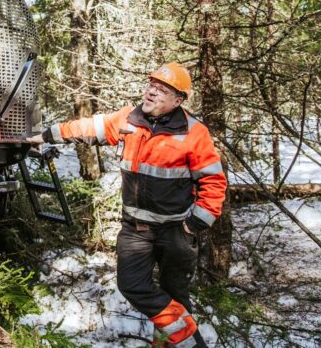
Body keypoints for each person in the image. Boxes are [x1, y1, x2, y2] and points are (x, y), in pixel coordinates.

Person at [30, 63, 226, 347]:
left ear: (178, 100)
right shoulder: (128, 119)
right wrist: (47, 134)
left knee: (175, 298)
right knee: (132, 285)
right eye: (151, 85)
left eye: (162, 90)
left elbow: (213, 181)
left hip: (176, 231)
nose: (152, 92)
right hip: (135, 229)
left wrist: (194, 224)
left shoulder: (194, 133)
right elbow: (88, 127)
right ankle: (193, 342)